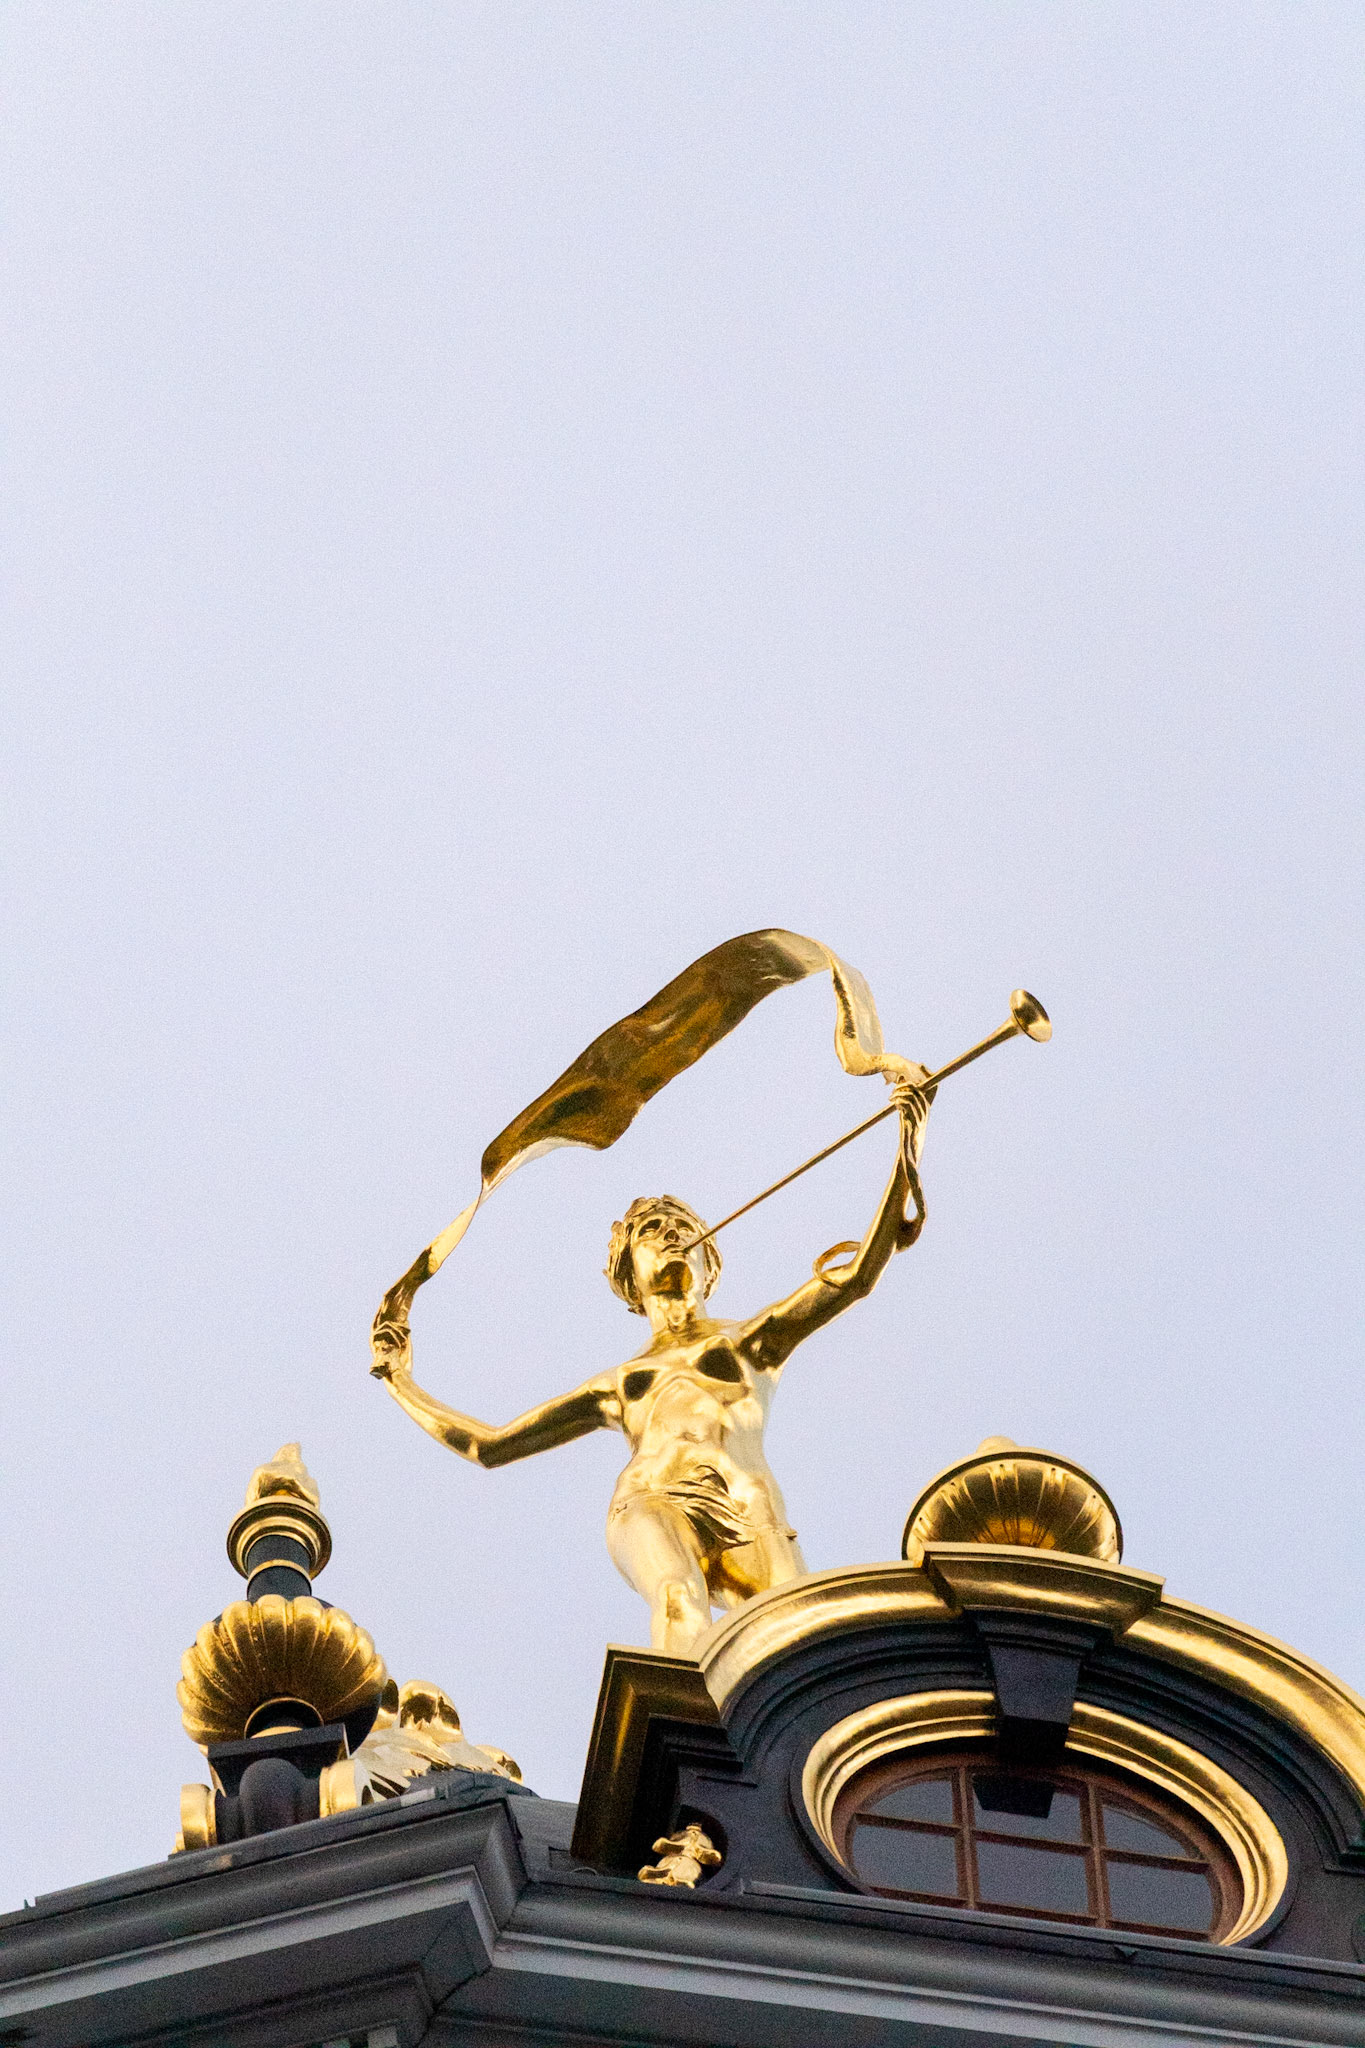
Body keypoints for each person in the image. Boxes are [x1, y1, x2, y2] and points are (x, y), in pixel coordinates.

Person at [371, 1074, 932, 1655]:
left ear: (709, 1262)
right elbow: (490, 1445)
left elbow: (858, 1275)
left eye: (683, 1228)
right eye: (652, 1230)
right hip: (651, 1497)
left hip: (746, 1498)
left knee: (801, 1627)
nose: (670, 1234)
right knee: (678, 1597)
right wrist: (397, 1378)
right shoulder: (620, 1384)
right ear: (629, 1273)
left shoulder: (752, 1341)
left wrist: (906, 1144)